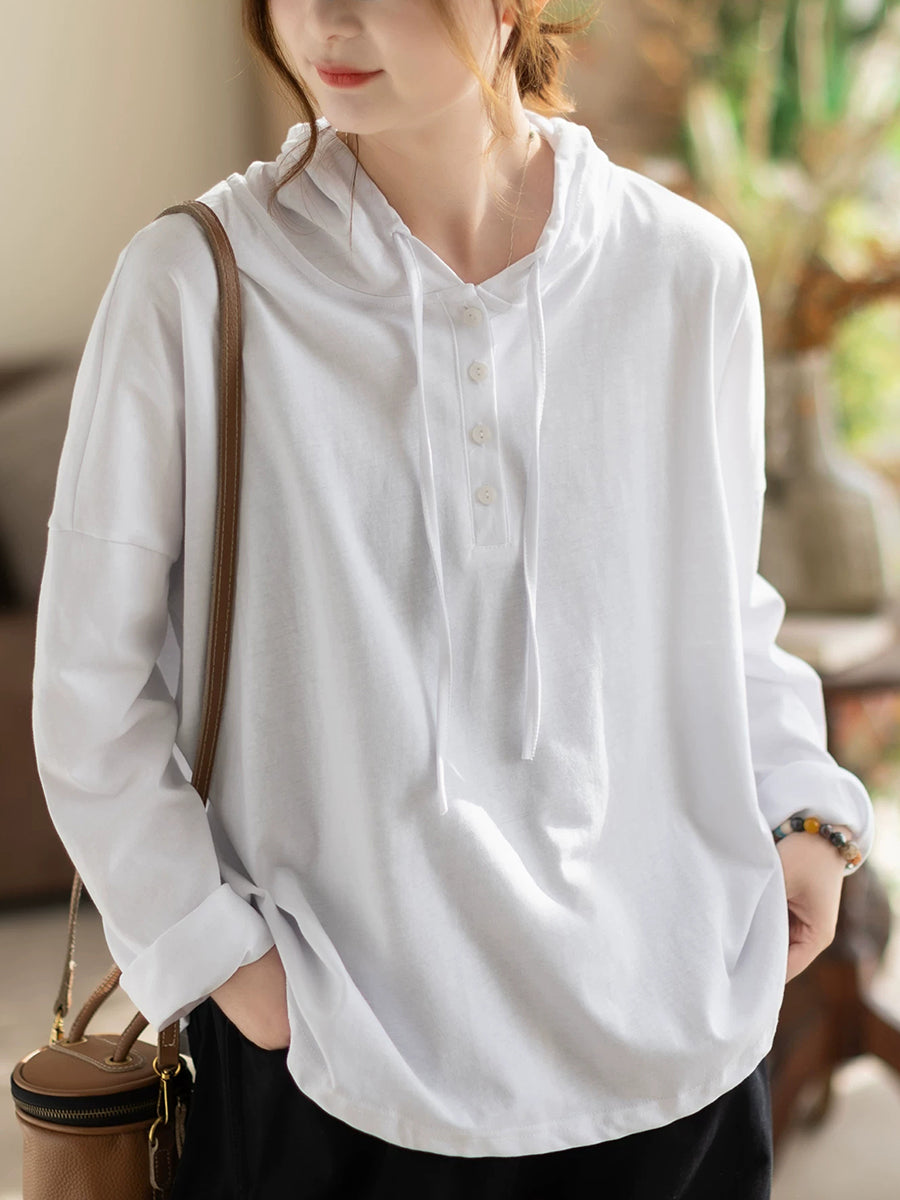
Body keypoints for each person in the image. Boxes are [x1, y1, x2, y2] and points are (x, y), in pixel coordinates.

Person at [31, 1, 876, 1197]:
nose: (324, 19)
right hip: (337, 1059)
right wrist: (223, 962)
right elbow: (90, 688)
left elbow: (718, 609)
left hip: (672, 1043)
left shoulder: (685, 271)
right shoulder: (198, 283)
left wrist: (804, 814)